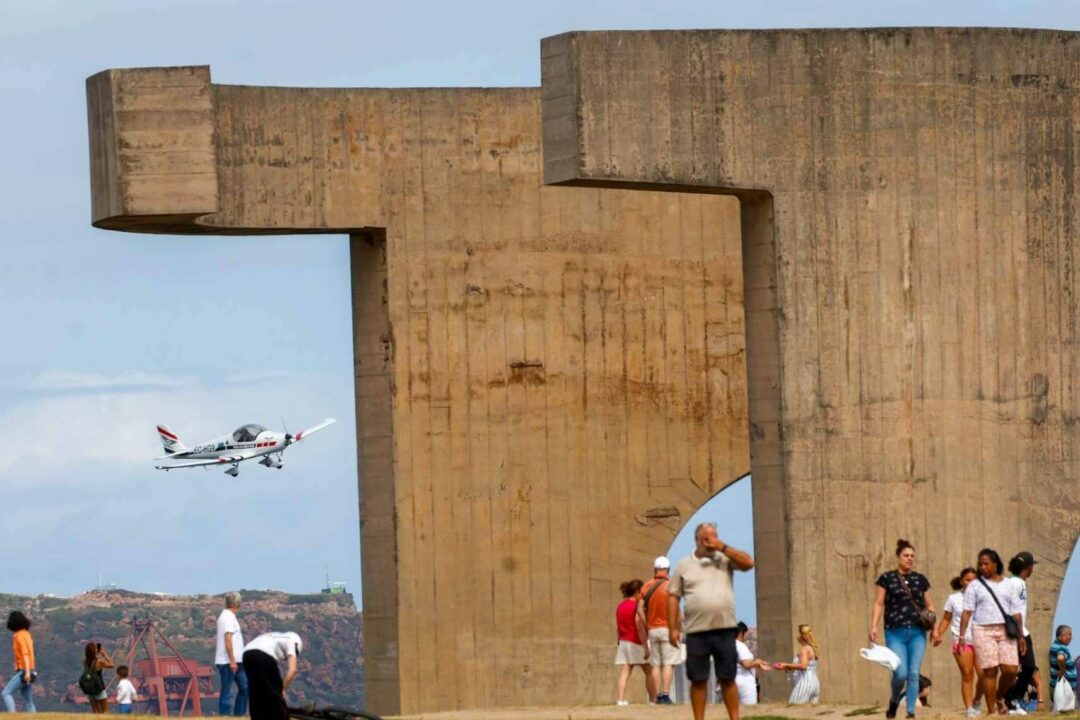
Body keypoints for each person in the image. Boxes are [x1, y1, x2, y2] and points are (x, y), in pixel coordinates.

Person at [667, 522, 754, 720]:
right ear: (697, 540)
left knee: (727, 677)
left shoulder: (724, 559)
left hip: (724, 628)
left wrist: (722, 547)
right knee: (698, 679)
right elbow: (673, 596)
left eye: (714, 536)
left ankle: (735, 718)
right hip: (696, 630)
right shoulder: (685, 565)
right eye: (707, 538)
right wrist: (673, 628)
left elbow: (748, 563)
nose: (711, 541)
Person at [870, 539, 935, 719]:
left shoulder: (920, 579)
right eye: (906, 555)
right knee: (900, 672)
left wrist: (934, 629)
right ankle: (894, 699)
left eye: (912, 556)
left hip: (917, 632)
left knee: (914, 673)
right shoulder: (887, 579)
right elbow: (878, 603)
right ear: (898, 557)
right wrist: (873, 626)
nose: (909, 559)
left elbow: (930, 606)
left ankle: (910, 712)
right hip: (895, 631)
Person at [958, 548, 1026, 717]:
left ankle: (999, 696)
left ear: (996, 564)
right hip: (982, 629)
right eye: (980, 564)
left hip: (1006, 630)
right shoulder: (974, 585)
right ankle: (991, 711)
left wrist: (1021, 635)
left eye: (986, 564)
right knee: (990, 671)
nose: (983, 567)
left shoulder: (1009, 584)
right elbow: (967, 612)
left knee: (1011, 670)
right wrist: (961, 636)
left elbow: (1016, 611)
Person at [932, 568, 983, 716]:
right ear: (962, 581)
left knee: (985, 675)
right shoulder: (954, 598)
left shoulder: (983, 598)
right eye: (968, 579)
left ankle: (977, 700)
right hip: (961, 641)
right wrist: (938, 633)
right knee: (967, 674)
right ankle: (969, 708)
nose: (971, 582)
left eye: (974, 580)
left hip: (981, 640)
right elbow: (947, 619)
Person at [640, 557, 680, 705]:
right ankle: (665, 694)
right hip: (667, 629)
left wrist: (647, 624)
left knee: (656, 664)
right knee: (668, 663)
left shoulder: (646, 587)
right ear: (668, 570)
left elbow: (639, 609)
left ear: (654, 569)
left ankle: (656, 696)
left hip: (653, 630)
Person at [1003, 552, 1038, 714]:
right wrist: (1021, 635)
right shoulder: (1018, 584)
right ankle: (1011, 698)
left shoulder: (1011, 582)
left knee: (1018, 668)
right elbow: (1015, 610)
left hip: (1018, 630)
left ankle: (1011, 701)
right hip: (1019, 631)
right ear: (1028, 568)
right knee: (1029, 666)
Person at [242, 631, 302, 720]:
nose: (285, 658)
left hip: (246, 655)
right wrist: (282, 689)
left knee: (256, 692)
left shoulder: (271, 636)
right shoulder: (290, 642)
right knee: (275, 694)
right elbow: (292, 670)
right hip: (264, 656)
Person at [613, 579, 651, 706]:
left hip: (623, 642)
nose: (643, 594)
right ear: (636, 592)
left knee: (625, 671)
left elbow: (618, 626)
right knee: (649, 671)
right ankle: (653, 699)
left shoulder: (620, 606)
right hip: (636, 641)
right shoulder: (636, 607)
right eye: (642, 592)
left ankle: (620, 700)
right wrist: (646, 647)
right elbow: (640, 627)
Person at [216, 592, 248, 716]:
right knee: (227, 690)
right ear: (237, 603)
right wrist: (232, 660)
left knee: (245, 686)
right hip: (228, 661)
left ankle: (239, 715)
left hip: (237, 661)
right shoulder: (228, 617)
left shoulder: (228, 616)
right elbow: (227, 638)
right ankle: (225, 716)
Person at [774, 623, 820, 705]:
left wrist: (786, 665)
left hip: (805, 683)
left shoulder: (804, 649)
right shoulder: (813, 649)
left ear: (801, 636)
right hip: (815, 683)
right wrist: (789, 667)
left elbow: (803, 666)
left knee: (792, 708)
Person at [2, 611, 35, 713]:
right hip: (31, 669)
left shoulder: (18, 636)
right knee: (28, 701)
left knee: (6, 693)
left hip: (24, 671)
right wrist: (30, 671)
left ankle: (12, 716)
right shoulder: (27, 634)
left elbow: (24, 653)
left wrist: (27, 673)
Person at [733, 621, 770, 705]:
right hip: (745, 683)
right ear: (741, 632)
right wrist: (757, 662)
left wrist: (757, 664)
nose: (747, 635)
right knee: (748, 710)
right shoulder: (740, 646)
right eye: (746, 633)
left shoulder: (729, 645)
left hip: (732, 682)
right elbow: (746, 664)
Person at [81, 643, 114, 713]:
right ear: (94, 651)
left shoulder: (85, 662)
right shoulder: (99, 662)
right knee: (104, 711)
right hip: (99, 688)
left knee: (95, 712)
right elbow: (112, 665)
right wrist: (104, 654)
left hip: (90, 689)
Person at [1049, 625, 1076, 696]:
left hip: (1060, 687)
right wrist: (1063, 671)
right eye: (1069, 635)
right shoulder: (1062, 647)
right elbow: (1060, 658)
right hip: (1065, 689)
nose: (1071, 638)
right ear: (1063, 636)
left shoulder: (1055, 645)